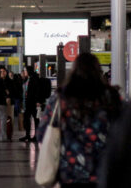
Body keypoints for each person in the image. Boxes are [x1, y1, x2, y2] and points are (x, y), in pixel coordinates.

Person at [36, 53, 121, 188]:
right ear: (98, 71)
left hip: (70, 174)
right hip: (105, 173)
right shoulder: (111, 97)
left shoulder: (60, 98)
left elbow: (42, 133)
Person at [19, 66, 43, 143]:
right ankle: (27, 135)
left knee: (36, 120)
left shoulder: (34, 79)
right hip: (26, 103)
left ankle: (36, 136)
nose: (24, 72)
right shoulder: (26, 79)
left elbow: (38, 91)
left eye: (25, 70)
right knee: (26, 120)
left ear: (28, 71)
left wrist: (38, 101)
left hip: (33, 103)